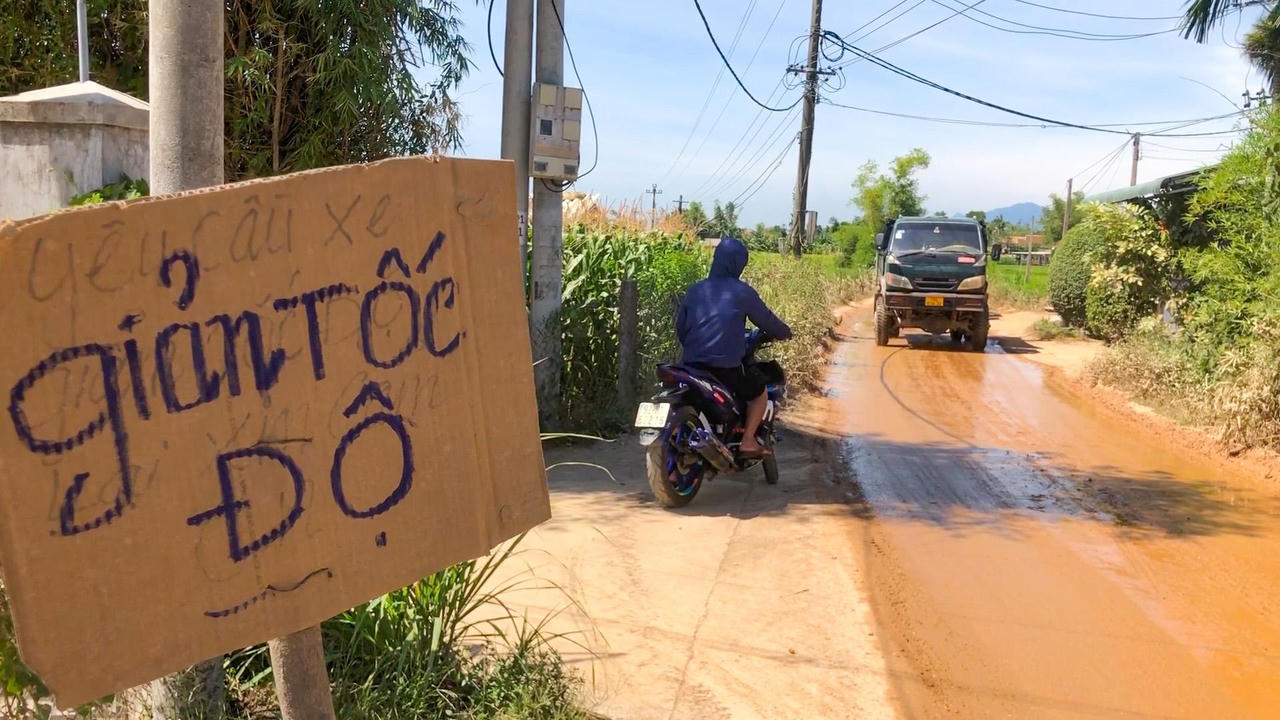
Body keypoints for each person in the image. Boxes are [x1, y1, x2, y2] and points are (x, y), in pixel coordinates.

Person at [675, 237, 792, 457]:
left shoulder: (695, 290)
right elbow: (767, 321)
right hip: (725, 370)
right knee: (758, 393)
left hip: (690, 367)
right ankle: (748, 440)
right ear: (738, 263)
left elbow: (680, 327)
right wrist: (786, 332)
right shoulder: (742, 292)